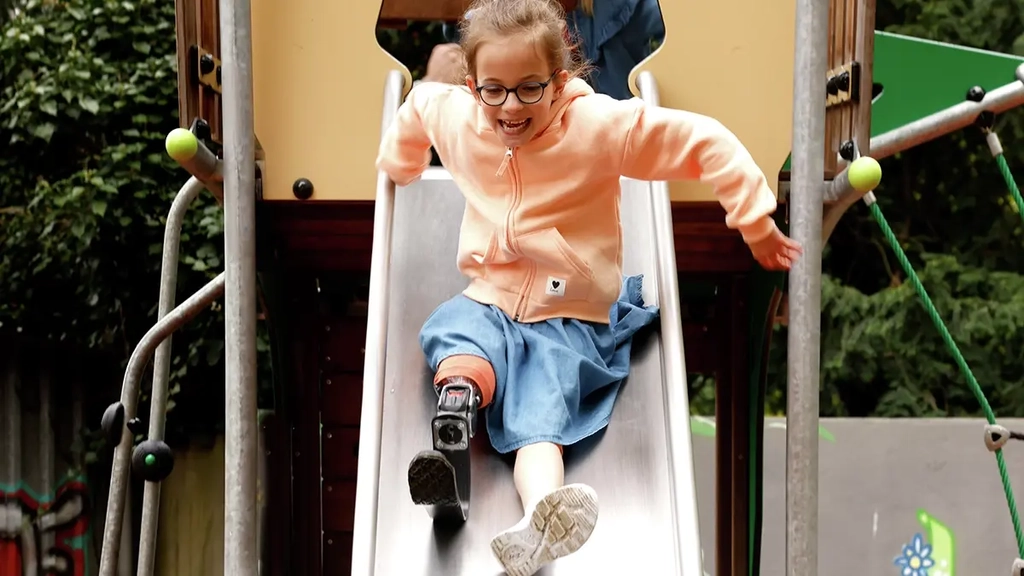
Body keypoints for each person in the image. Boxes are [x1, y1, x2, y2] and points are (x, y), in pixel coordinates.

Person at [375, 0, 803, 574]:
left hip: (568, 314)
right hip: (493, 298)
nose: (509, 107)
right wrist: (399, 165)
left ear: (559, 82)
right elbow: (421, 106)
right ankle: (456, 419)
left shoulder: (598, 127)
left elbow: (705, 142)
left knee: (539, 410)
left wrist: (753, 220)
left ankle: (542, 517)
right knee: (456, 331)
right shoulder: (459, 114)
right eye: (493, 90)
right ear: (473, 84)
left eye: (529, 89)